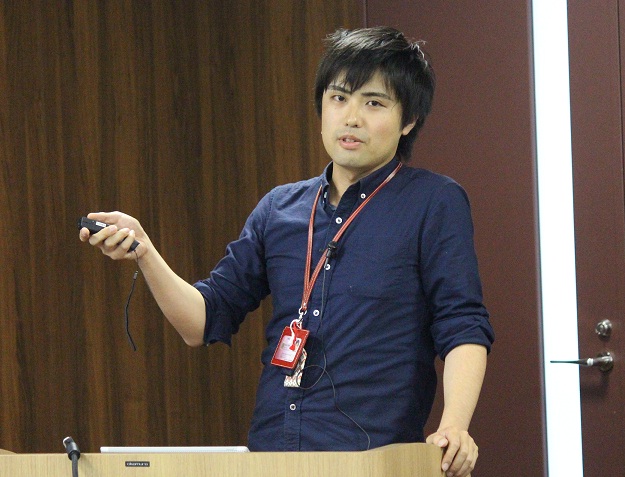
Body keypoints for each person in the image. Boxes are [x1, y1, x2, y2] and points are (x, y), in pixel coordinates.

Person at [80, 26, 494, 477]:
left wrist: (454, 426)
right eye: (339, 98)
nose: (351, 117)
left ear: (408, 119)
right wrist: (145, 252)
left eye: (374, 103)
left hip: (376, 459)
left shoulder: (433, 202)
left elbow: (462, 323)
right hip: (273, 455)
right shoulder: (280, 208)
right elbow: (202, 320)